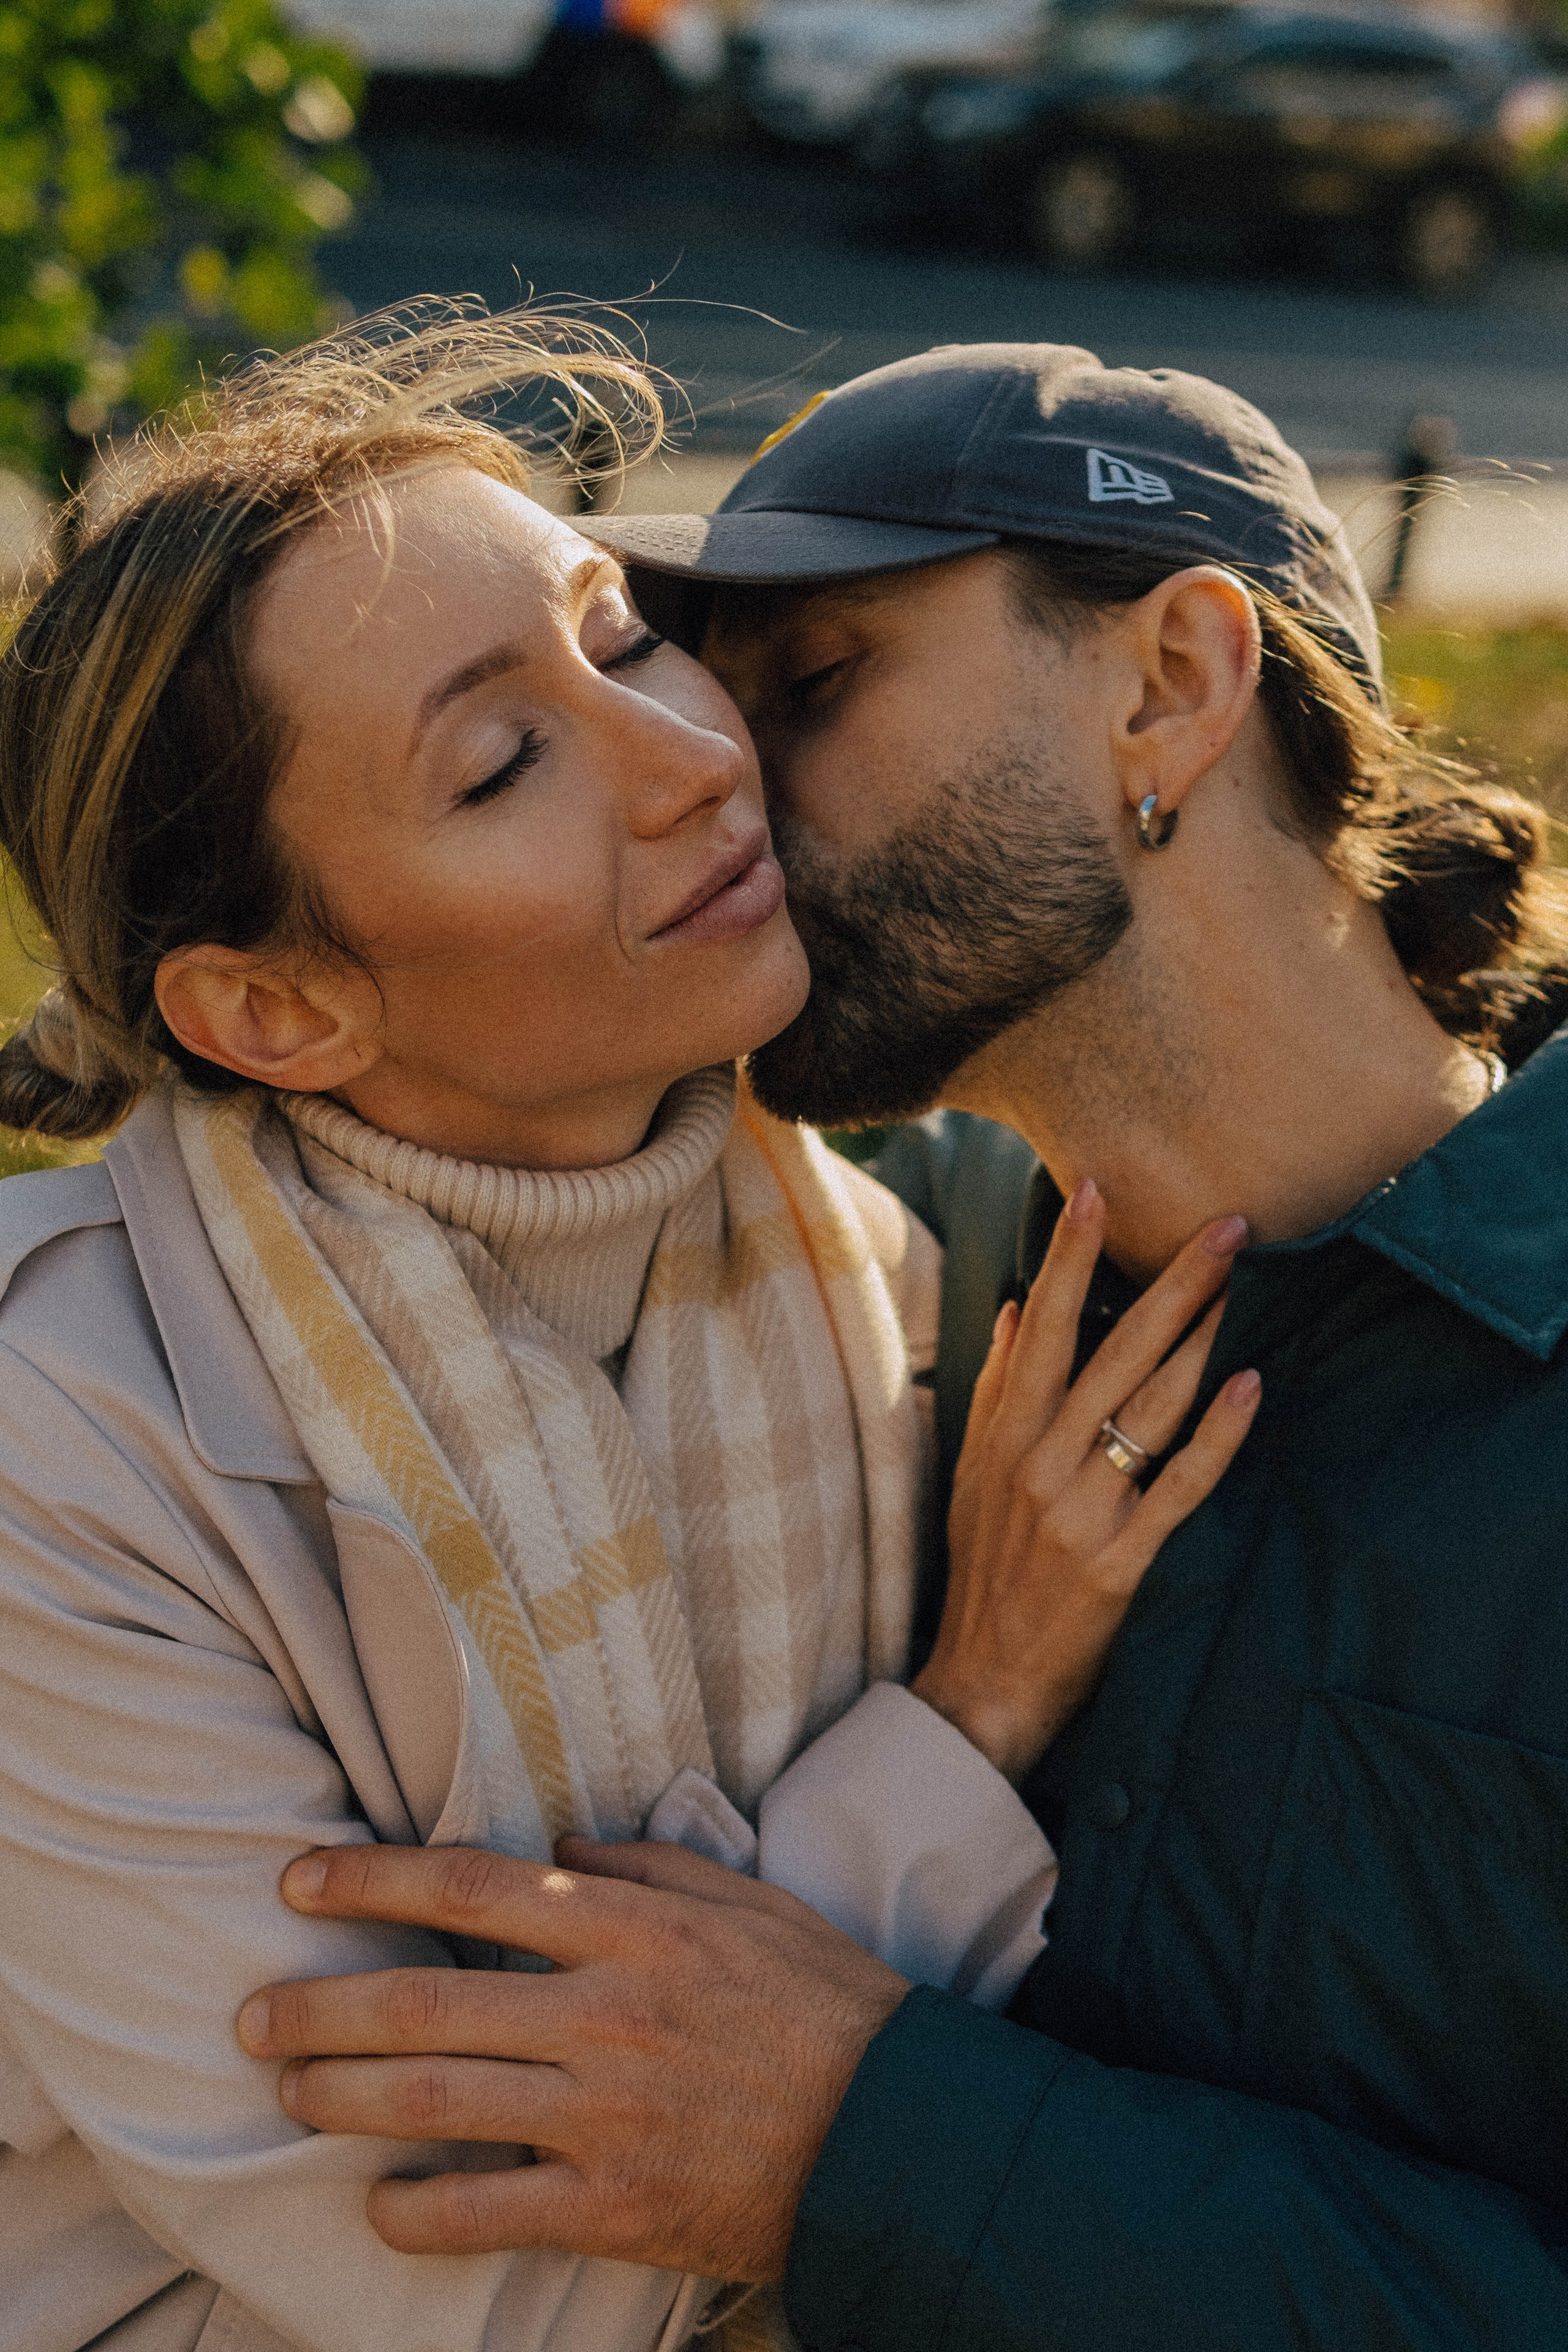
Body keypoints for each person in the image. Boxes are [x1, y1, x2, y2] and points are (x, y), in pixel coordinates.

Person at [249, 345, 1568, 2351]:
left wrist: (866, 2144)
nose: (712, 777)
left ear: (1173, 685)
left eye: (816, 685)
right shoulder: (876, 1290)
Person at [0, 313, 1256, 2352]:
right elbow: (497, 2277)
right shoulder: (59, 1438)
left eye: (624, 639)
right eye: (502, 760)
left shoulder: (881, 1250)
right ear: (279, 1012)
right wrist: (976, 1718)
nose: (694, 760)